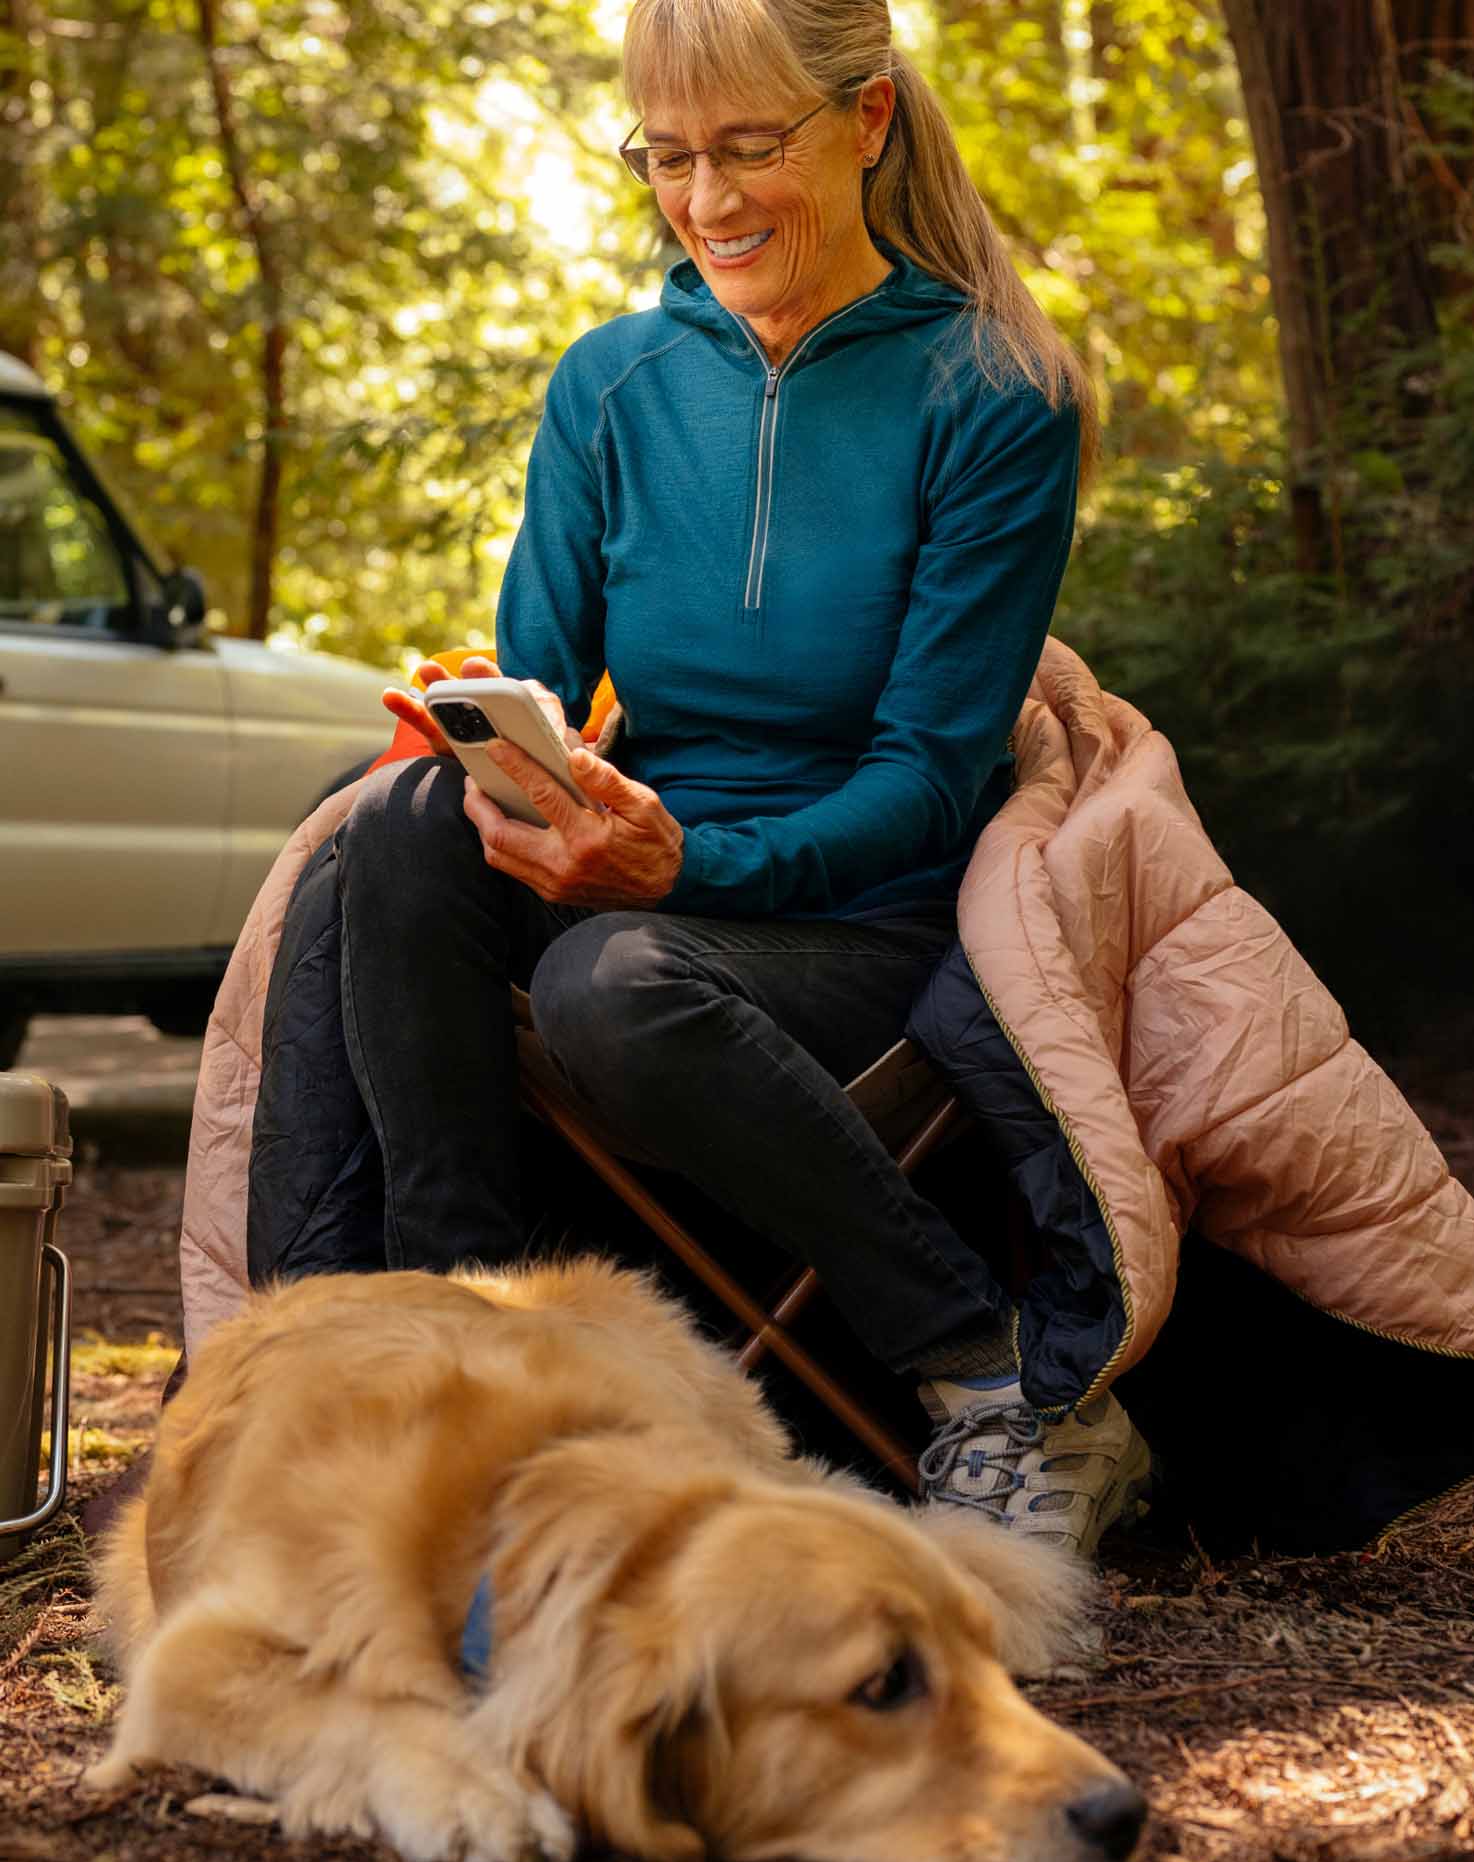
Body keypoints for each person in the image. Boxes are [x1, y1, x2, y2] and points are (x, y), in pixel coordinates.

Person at [246, 0, 1151, 1558]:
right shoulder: (606, 386)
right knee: (394, 824)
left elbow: (928, 777)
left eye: (749, 148)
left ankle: (996, 1379)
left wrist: (688, 871)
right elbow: (531, 683)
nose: (707, 201)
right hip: (637, 876)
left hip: (851, 918)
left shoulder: (994, 391)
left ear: (866, 120)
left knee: (614, 980)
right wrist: (480, 742)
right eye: (667, 157)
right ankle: (464, 1360)